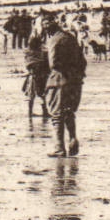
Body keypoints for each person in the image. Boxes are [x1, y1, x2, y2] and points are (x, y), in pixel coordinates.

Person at [44, 15, 85, 156]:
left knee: (56, 114)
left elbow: (53, 63)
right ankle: (73, 139)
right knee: (69, 112)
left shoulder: (54, 40)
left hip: (59, 80)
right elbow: (82, 60)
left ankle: (59, 148)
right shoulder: (71, 37)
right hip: (75, 80)